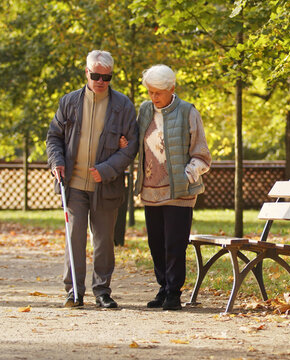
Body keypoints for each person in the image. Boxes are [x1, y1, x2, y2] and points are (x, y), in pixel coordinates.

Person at [46, 50, 139, 308]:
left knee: (104, 241)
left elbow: (131, 146)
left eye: (106, 77)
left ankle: (102, 291)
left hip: (106, 185)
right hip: (73, 184)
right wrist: (57, 162)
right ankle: (74, 291)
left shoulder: (123, 106)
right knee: (75, 237)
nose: (100, 81)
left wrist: (107, 169)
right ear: (86, 72)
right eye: (96, 75)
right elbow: (54, 137)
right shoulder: (69, 102)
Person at [133, 64, 211, 311]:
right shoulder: (145, 111)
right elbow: (137, 141)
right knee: (156, 243)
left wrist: (189, 173)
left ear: (172, 89)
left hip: (179, 191)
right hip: (151, 188)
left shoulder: (188, 111)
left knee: (174, 243)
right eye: (150, 92)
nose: (153, 97)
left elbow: (202, 152)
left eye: (158, 92)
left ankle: (174, 292)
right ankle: (163, 287)